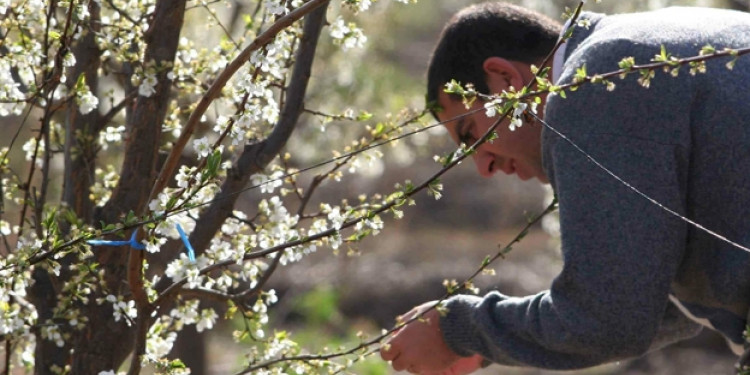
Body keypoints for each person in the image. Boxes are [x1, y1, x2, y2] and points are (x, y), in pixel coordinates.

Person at [380, 2, 750, 374]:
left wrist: (456, 328)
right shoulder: (654, 40)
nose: (484, 167)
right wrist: (502, 342)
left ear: (505, 80)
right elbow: (645, 303)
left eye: (472, 136)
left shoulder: (591, 85)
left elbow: (608, 321)